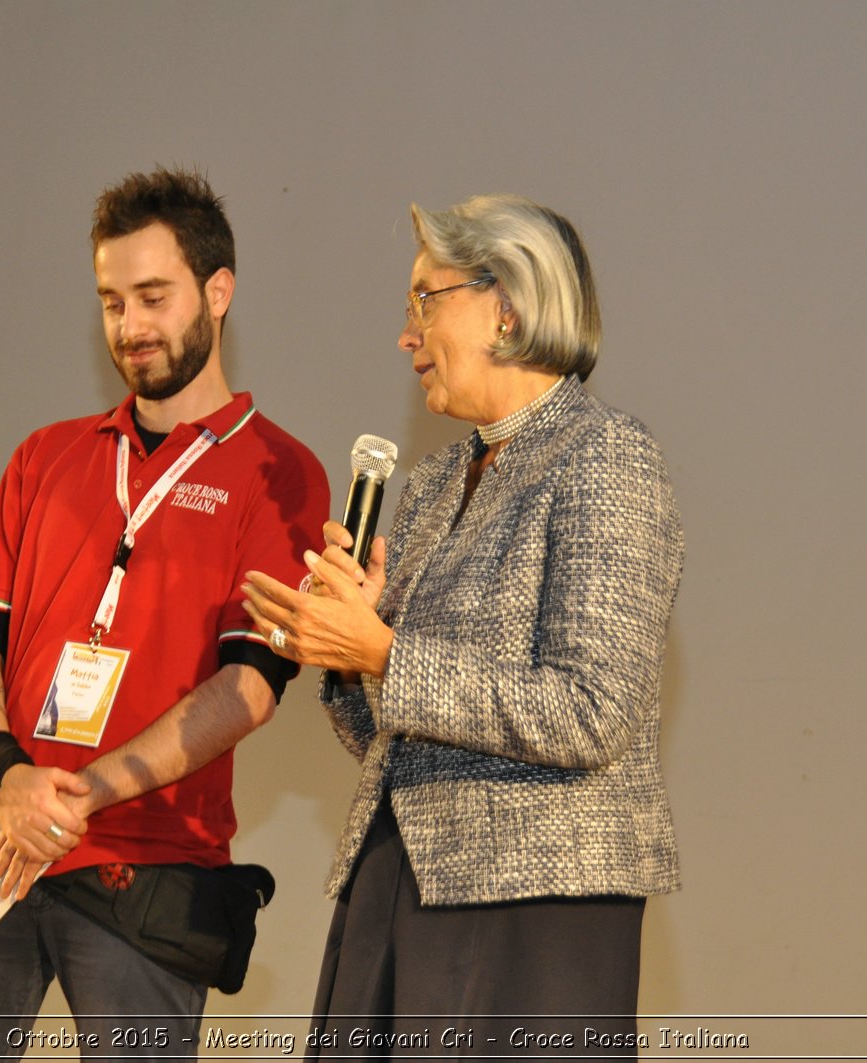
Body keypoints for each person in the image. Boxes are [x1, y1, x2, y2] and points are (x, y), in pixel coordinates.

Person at [0, 167, 330, 1059]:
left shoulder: (281, 474)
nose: (129, 326)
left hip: (151, 866)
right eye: (109, 301)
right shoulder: (46, 457)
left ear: (219, 291)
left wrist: (84, 793)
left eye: (152, 296)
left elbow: (252, 686)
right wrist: (8, 773)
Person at [243, 194, 683, 1057]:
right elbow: (391, 731)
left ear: (508, 305)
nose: (406, 336)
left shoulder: (607, 455)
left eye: (424, 300)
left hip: (535, 902)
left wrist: (385, 651)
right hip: (398, 877)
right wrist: (348, 646)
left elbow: (595, 708)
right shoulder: (438, 480)